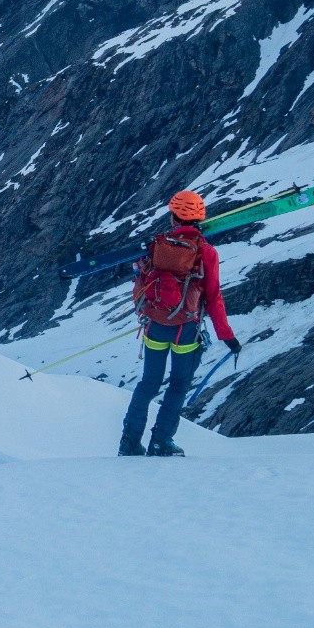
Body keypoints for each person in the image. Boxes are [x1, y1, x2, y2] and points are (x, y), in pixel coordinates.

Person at [118, 190, 244, 457]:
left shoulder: (156, 245)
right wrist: (227, 336)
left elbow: (140, 279)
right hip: (185, 330)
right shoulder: (205, 252)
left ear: (174, 217)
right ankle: (161, 442)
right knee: (178, 385)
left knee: (148, 383)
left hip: (154, 325)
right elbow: (213, 297)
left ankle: (129, 442)